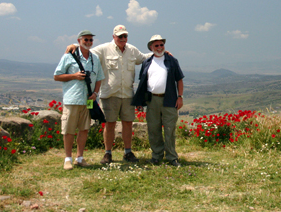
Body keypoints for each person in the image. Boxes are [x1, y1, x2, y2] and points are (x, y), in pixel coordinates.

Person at [66, 25, 151, 164]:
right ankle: (108, 153)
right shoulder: (104, 49)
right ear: (114, 36)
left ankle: (128, 152)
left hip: (128, 94)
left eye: (125, 36)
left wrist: (161, 52)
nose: (123, 39)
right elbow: (87, 51)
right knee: (109, 124)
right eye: (120, 36)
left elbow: (143, 57)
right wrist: (75, 45)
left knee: (128, 124)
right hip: (110, 94)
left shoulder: (132, 50)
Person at [54, 30, 104, 170]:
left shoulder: (95, 58)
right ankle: (68, 158)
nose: (88, 42)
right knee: (69, 130)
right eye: (85, 40)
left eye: (90, 40)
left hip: (88, 99)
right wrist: (74, 76)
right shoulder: (68, 57)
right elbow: (57, 76)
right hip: (72, 99)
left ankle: (80, 158)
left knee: (84, 129)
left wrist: (95, 93)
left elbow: (99, 78)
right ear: (79, 41)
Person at [132, 35, 184, 167]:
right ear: (151, 47)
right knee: (153, 129)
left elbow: (179, 80)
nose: (160, 47)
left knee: (169, 129)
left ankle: (172, 157)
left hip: (170, 99)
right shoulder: (147, 62)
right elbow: (143, 83)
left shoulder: (172, 60)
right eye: (157, 45)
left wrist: (180, 97)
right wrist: (140, 101)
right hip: (152, 100)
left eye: (161, 45)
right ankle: (156, 156)